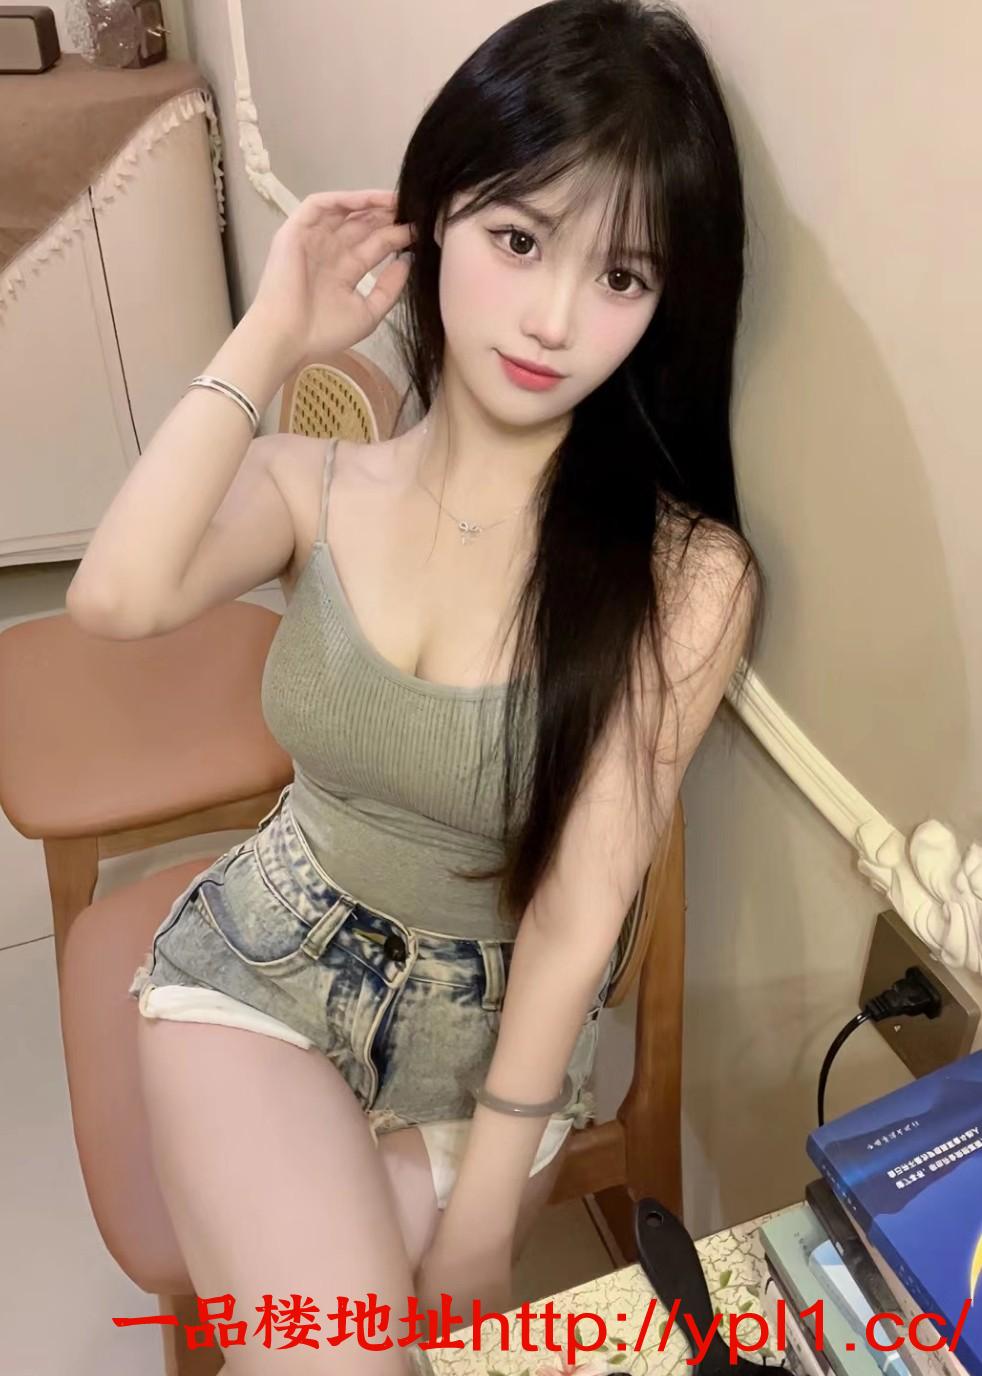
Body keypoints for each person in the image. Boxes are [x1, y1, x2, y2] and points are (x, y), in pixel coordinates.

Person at [67, 0, 766, 1370]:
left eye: (622, 276)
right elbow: (113, 597)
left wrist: (485, 1219)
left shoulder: (686, 577)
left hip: (486, 1036)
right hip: (261, 968)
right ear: (437, 215)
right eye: (519, 240)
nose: (554, 319)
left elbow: (576, 912)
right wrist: (270, 334)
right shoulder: (311, 483)